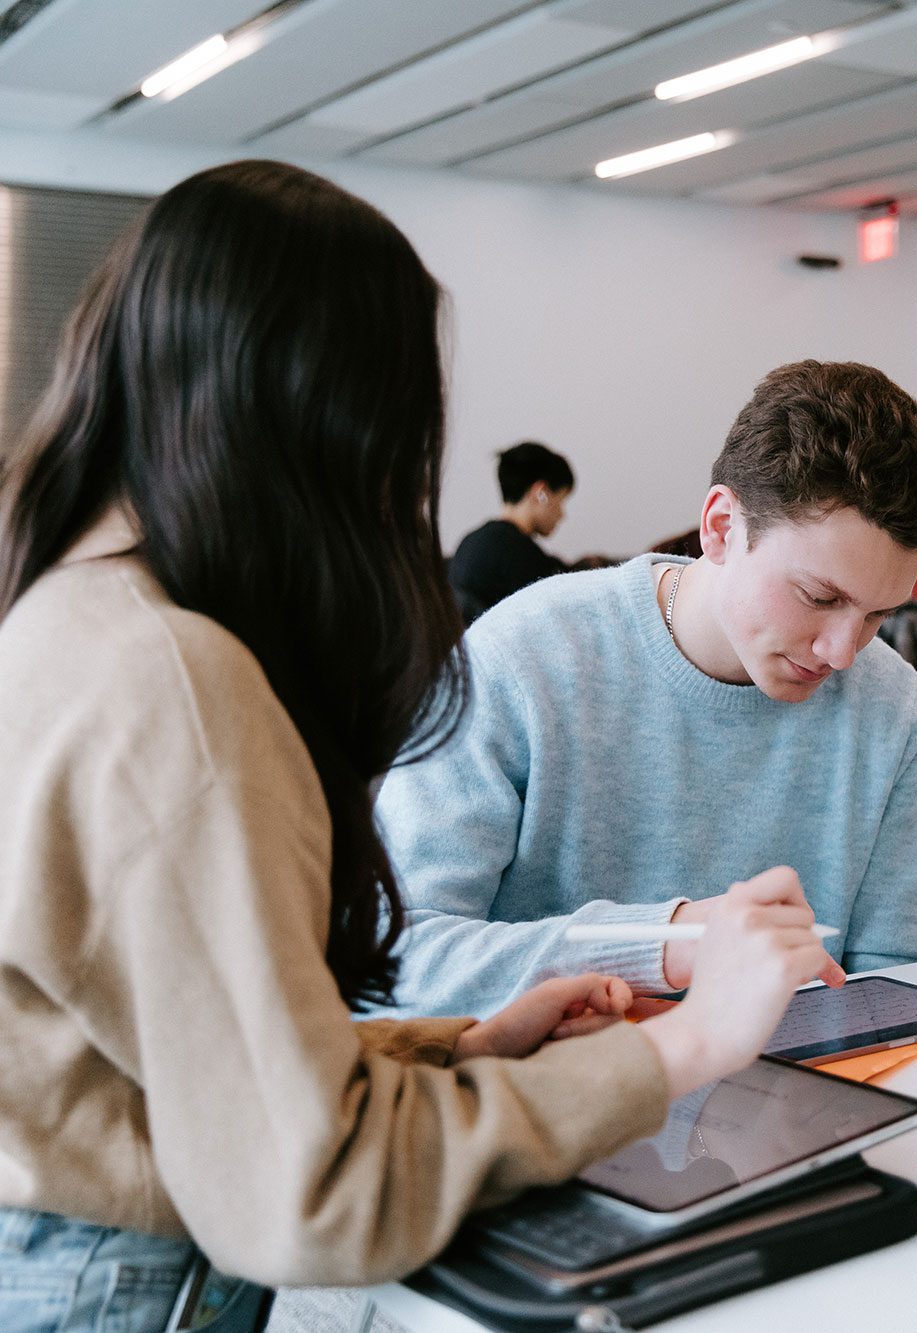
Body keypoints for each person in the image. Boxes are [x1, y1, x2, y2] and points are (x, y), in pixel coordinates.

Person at [0, 160, 833, 1331]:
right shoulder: (173, 684)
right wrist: (690, 1041)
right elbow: (312, 1190)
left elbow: (178, 1054)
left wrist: (464, 1051)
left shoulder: (70, 617)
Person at [377, 360, 917, 1019]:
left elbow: (893, 986)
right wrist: (665, 941)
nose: (842, 651)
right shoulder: (520, 659)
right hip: (543, 1102)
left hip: (789, 1102)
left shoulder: (894, 707)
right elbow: (390, 958)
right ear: (719, 527)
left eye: (879, 614)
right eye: (819, 596)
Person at [449, 441, 574, 622]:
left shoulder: (471, 541)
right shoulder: (521, 554)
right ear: (541, 493)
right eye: (561, 501)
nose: (562, 515)